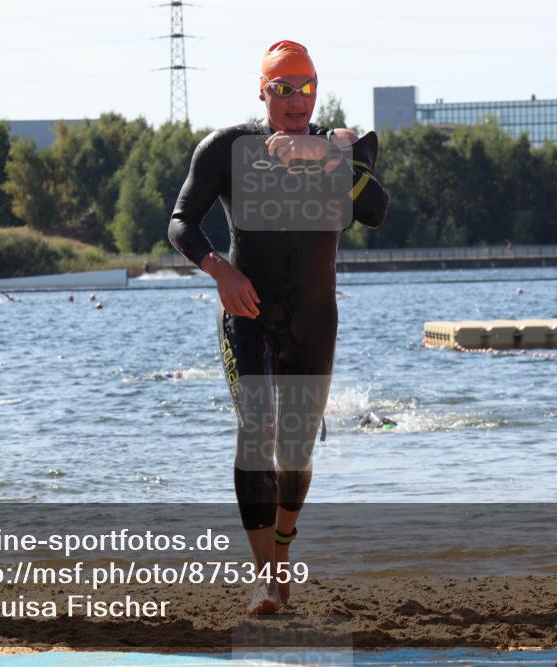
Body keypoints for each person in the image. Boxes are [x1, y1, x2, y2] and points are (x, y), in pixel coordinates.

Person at [168, 40, 388, 615]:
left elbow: (376, 210)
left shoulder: (345, 146)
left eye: (306, 87)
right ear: (263, 91)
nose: (296, 99)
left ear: (317, 90)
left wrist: (326, 161)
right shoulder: (228, 149)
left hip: (315, 321)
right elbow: (181, 223)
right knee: (256, 435)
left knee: (294, 451)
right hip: (249, 314)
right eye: (283, 88)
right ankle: (265, 577)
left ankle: (281, 560)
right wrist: (220, 272)